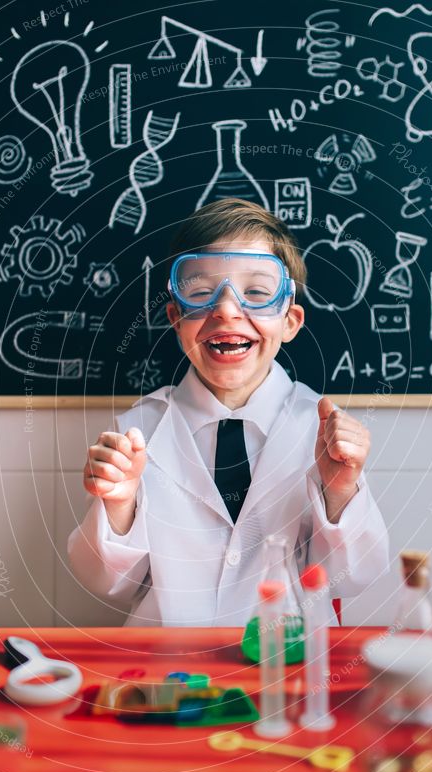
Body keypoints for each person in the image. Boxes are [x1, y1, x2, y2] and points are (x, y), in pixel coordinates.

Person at [67, 198, 389, 627]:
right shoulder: (137, 430)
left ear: (290, 321)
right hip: (167, 671)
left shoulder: (324, 431)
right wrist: (118, 505)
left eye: (256, 292)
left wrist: (341, 491)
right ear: (175, 317)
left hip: (288, 667)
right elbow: (110, 584)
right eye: (200, 293)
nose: (226, 309)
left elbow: (351, 577)